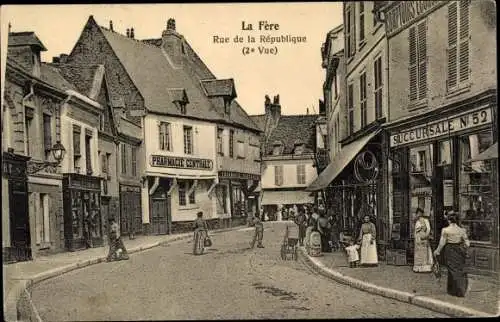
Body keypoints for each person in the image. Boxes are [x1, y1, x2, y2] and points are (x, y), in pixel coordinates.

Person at [433, 212, 470, 297]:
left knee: (452, 269)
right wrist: (464, 247)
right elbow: (467, 242)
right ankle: (455, 290)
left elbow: (442, 243)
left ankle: (457, 290)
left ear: (449, 220)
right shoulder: (462, 230)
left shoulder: (445, 230)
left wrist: (437, 251)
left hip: (450, 250)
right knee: (459, 269)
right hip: (459, 250)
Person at [413, 207, 434, 273]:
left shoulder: (425, 220)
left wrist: (425, 235)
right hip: (418, 238)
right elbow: (416, 231)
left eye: (420, 213)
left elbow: (428, 229)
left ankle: (425, 268)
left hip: (423, 237)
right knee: (419, 253)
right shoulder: (417, 221)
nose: (418, 215)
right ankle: (418, 267)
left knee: (425, 253)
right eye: (418, 213)